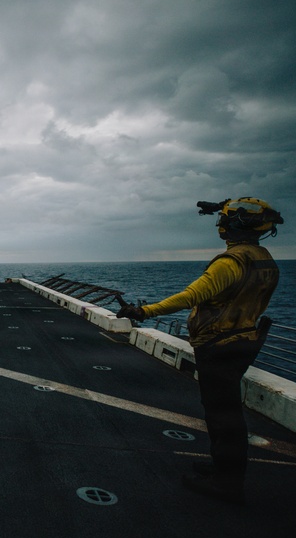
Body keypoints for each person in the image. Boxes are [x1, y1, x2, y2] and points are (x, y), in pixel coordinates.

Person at [116, 197, 284, 504]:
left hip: (219, 343)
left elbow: (190, 296)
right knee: (223, 410)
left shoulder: (231, 262)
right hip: (244, 339)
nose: (222, 223)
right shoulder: (264, 259)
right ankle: (222, 466)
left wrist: (144, 311)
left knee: (223, 415)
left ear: (235, 225)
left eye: (226, 219)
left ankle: (227, 482)